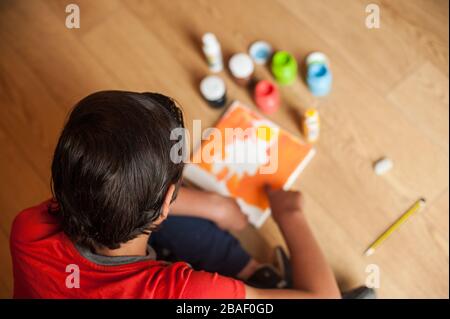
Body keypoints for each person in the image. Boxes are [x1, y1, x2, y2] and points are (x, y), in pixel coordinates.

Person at [10, 91, 341, 298]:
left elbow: (113, 196)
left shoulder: (29, 229)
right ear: (168, 199)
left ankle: (253, 272)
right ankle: (258, 277)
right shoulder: (188, 293)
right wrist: (290, 214)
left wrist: (213, 206)